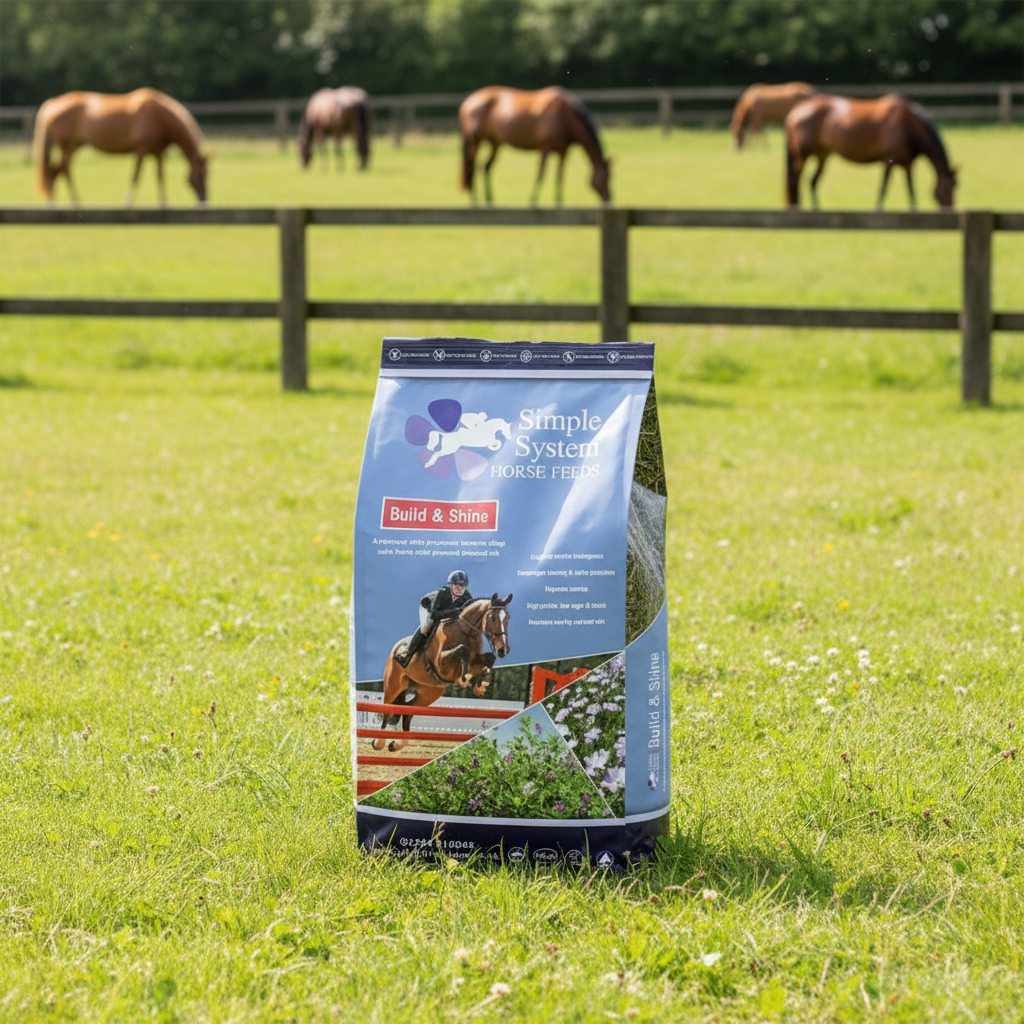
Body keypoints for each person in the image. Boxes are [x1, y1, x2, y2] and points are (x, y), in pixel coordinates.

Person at [395, 570, 473, 668]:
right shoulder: (443, 594)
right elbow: (435, 615)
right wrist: (454, 612)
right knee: (426, 627)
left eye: (462, 587)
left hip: (448, 616)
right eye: (457, 586)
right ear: (451, 585)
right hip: (428, 606)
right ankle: (407, 654)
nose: (460, 589)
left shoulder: (467, 597)